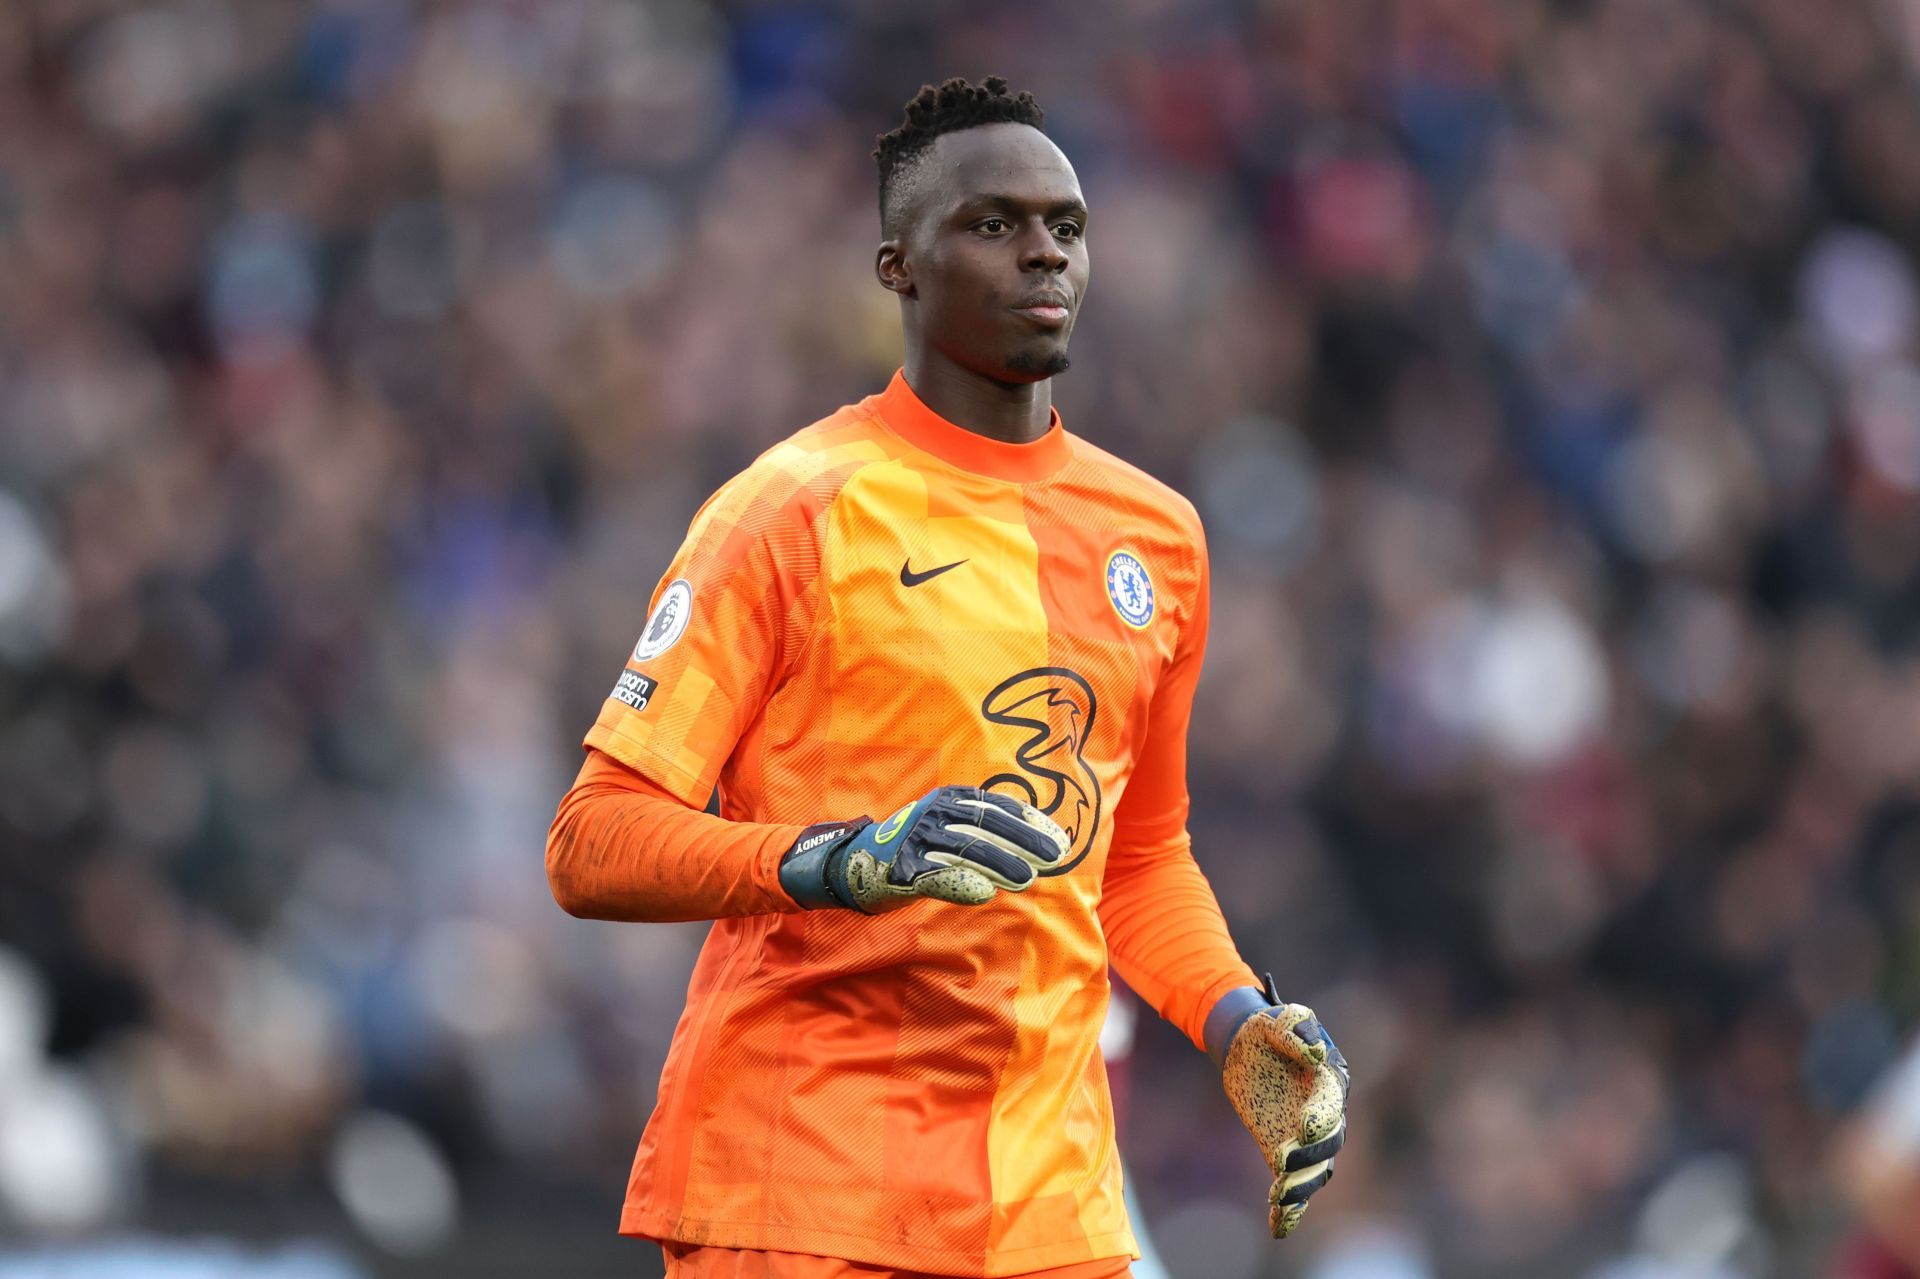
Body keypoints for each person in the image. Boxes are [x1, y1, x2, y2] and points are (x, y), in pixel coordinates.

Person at [545, 76, 1349, 1279]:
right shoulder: (793, 509)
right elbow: (592, 841)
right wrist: (833, 858)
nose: (1044, 255)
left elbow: (1134, 855)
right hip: (805, 1196)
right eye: (994, 224)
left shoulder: (1159, 536)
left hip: (1050, 1216)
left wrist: (1235, 1023)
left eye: (1066, 228)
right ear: (897, 268)